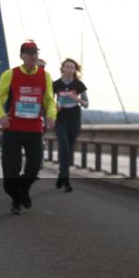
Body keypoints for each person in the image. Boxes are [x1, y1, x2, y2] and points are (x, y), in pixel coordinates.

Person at [0, 41, 56, 214]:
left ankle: (23, 191)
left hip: (34, 129)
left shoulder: (45, 76)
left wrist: (51, 115)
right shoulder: (10, 74)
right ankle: (17, 198)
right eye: (28, 53)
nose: (32, 56)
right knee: (10, 174)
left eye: (35, 53)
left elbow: (49, 100)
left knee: (34, 166)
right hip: (12, 128)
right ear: (21, 56)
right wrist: (0, 115)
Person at [53, 58, 89, 191]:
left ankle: (62, 175)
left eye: (72, 67)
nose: (69, 69)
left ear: (75, 70)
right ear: (62, 69)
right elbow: (48, 101)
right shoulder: (55, 84)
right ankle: (66, 180)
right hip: (60, 119)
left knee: (69, 150)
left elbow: (86, 104)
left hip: (74, 120)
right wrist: (55, 106)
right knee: (64, 148)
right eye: (67, 67)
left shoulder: (79, 84)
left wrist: (77, 99)